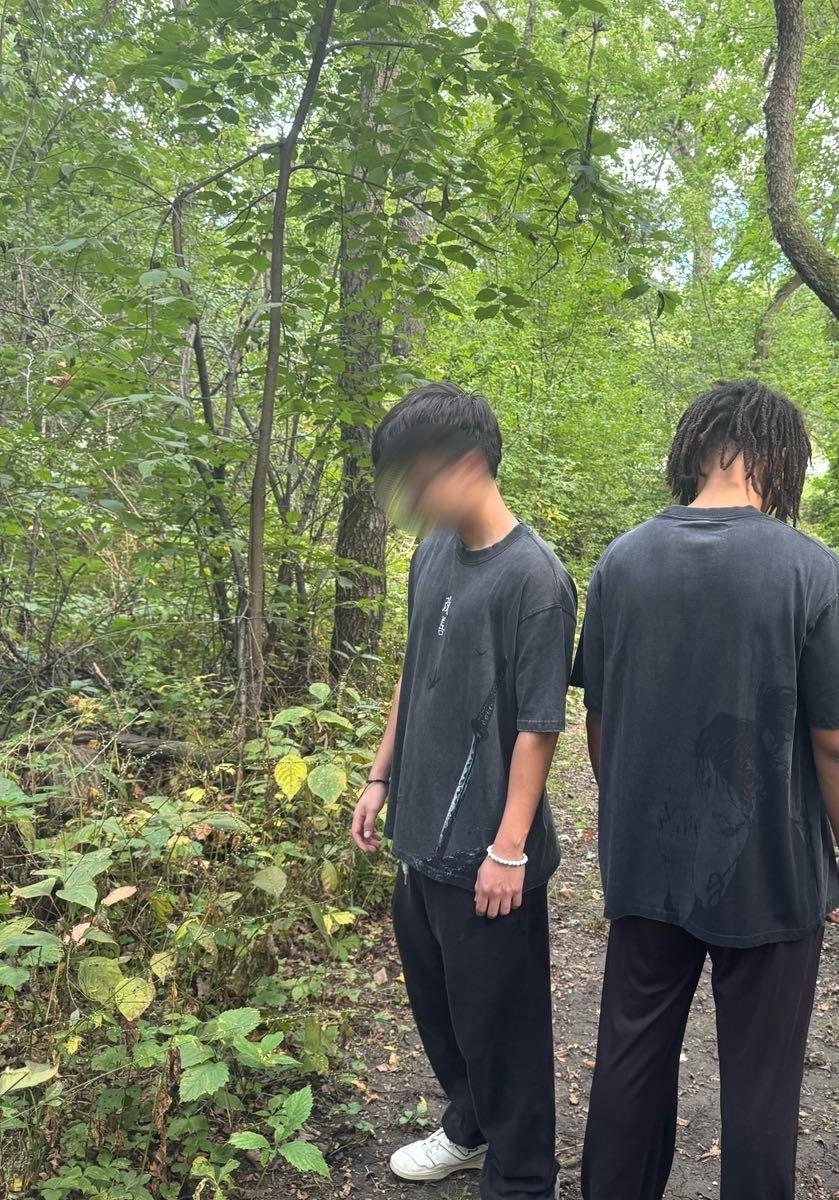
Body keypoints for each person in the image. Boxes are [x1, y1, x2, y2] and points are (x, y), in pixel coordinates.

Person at [570, 379, 839, 1200]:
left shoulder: (621, 563)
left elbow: (601, 718)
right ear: (779, 455)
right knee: (761, 1081)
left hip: (647, 861)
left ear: (695, 448)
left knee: (631, 1053)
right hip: (772, 866)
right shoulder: (811, 570)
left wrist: (632, 812)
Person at [350, 381, 576, 1200]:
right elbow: (415, 671)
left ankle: (523, 1176)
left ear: (468, 464)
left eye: (414, 478)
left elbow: (539, 727)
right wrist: (380, 775)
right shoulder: (433, 554)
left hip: (489, 853)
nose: (406, 499)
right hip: (420, 837)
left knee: (503, 1027)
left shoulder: (536, 579)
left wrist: (508, 850)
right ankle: (471, 1127)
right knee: (441, 1008)